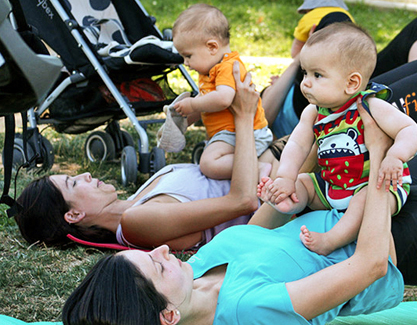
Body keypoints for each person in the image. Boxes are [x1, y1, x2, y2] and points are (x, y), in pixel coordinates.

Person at [61, 100, 417, 324]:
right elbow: (368, 267)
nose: (158, 251)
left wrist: (292, 186)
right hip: (416, 239)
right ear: (168, 317)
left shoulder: (194, 274)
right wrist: (377, 158)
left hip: (379, 201)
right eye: (154, 265)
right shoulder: (249, 311)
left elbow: (262, 225)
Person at [13, 61, 280, 251]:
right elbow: (243, 201)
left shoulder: (137, 200)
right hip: (279, 194)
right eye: (73, 183)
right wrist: (243, 117)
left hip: (272, 163)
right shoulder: (135, 223)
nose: (85, 175)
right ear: (74, 215)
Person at [259, 22, 417, 255]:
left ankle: (332, 240)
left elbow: (409, 129)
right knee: (304, 182)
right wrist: (285, 177)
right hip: (333, 185)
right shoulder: (314, 112)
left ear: (352, 83)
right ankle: (288, 201)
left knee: (363, 201)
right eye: (305, 73)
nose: (305, 82)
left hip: (376, 186)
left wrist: (396, 156)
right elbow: (297, 144)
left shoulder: (370, 106)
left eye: (317, 75)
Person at [263, 0, 417, 149]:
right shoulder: (284, 88)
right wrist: (303, 58)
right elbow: (262, 120)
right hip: (331, 110)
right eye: (306, 73)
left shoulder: (349, 79)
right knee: (334, 17)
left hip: (357, 91)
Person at [171, 3, 273, 180]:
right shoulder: (210, 70)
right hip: (229, 134)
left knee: (209, 163)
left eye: (188, 56)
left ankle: (258, 168)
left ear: (212, 47)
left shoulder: (227, 67)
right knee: (210, 156)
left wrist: (193, 103)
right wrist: (186, 118)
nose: (186, 63)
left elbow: (223, 99)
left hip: (245, 133)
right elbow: (208, 104)